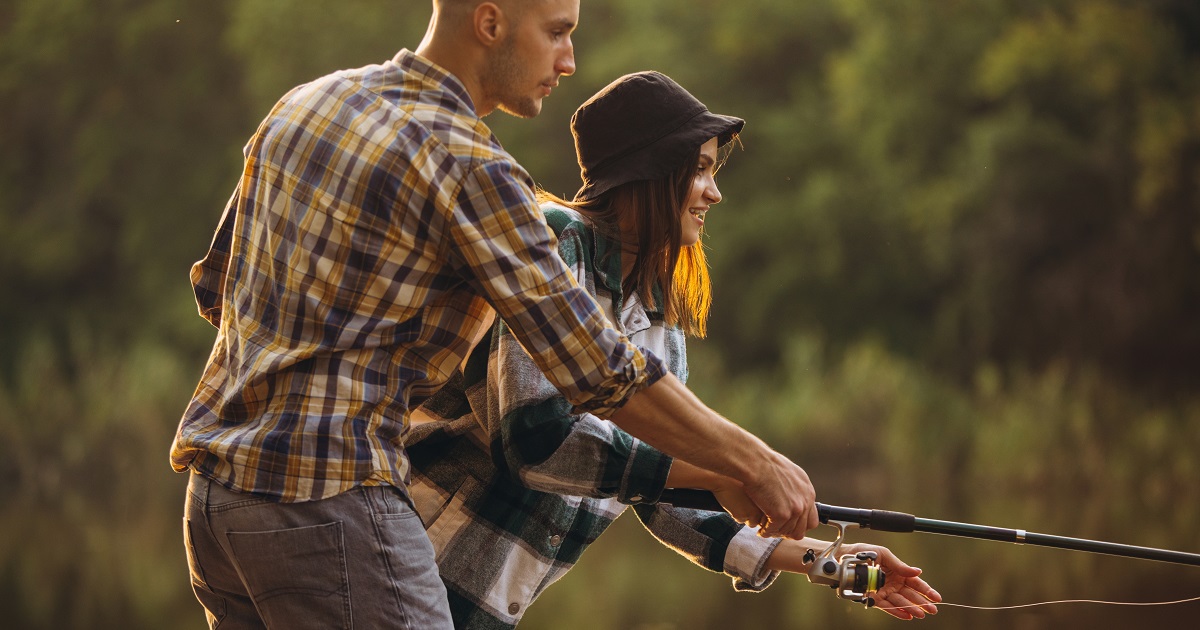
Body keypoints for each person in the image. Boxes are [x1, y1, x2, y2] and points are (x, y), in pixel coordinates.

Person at [171, 1, 820, 628]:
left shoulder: (308, 105)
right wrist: (756, 462)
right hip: (330, 499)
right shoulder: (474, 170)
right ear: (490, 22)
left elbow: (216, 285)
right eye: (558, 32)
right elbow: (598, 372)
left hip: (215, 502)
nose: (568, 61)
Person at [406, 71, 942, 629]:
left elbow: (664, 495)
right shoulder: (558, 243)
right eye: (702, 169)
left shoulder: (659, 316)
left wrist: (825, 560)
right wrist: (726, 470)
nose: (715, 191)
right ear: (652, 171)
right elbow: (539, 441)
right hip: (408, 574)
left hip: (478, 611)